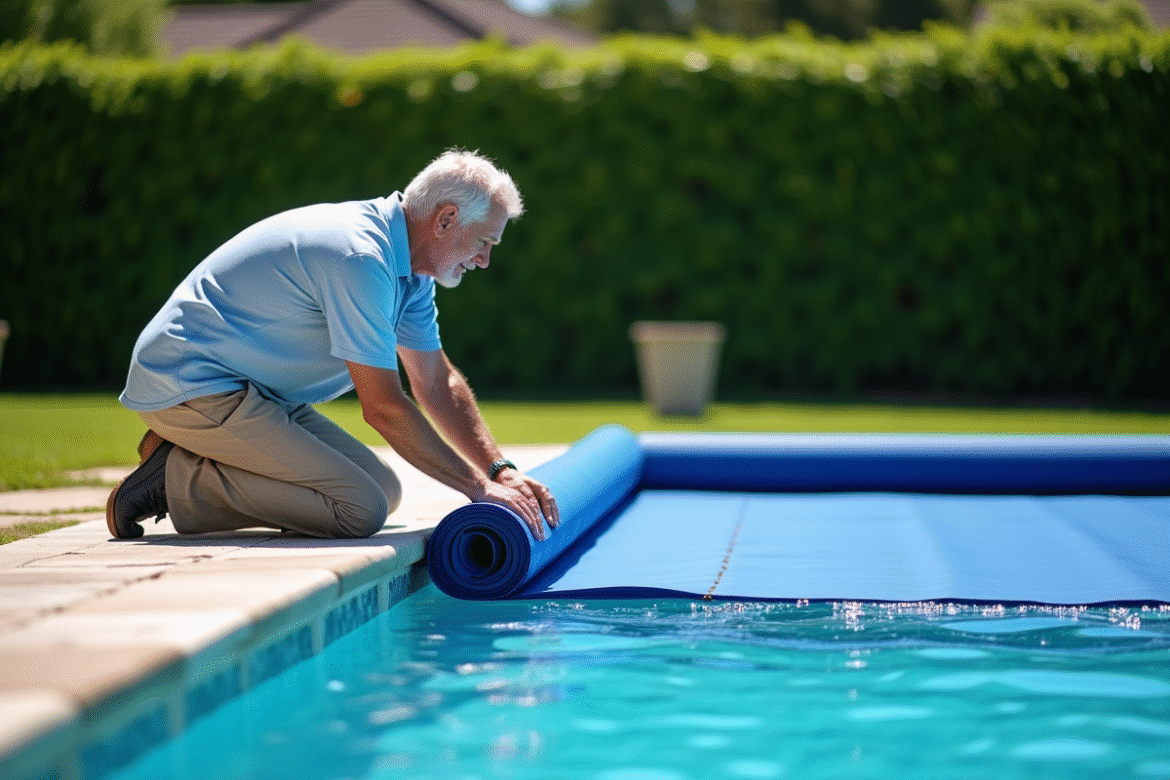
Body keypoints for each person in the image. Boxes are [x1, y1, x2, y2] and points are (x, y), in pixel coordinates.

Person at [106, 149, 559, 542]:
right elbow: (383, 408)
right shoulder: (362, 257)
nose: (484, 259)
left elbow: (437, 383)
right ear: (444, 219)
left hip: (258, 392)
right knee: (358, 509)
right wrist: (479, 490)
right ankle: (171, 480)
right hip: (192, 381)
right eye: (484, 241)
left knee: (385, 491)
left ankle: (191, 455)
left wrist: (500, 470)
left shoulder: (412, 273)